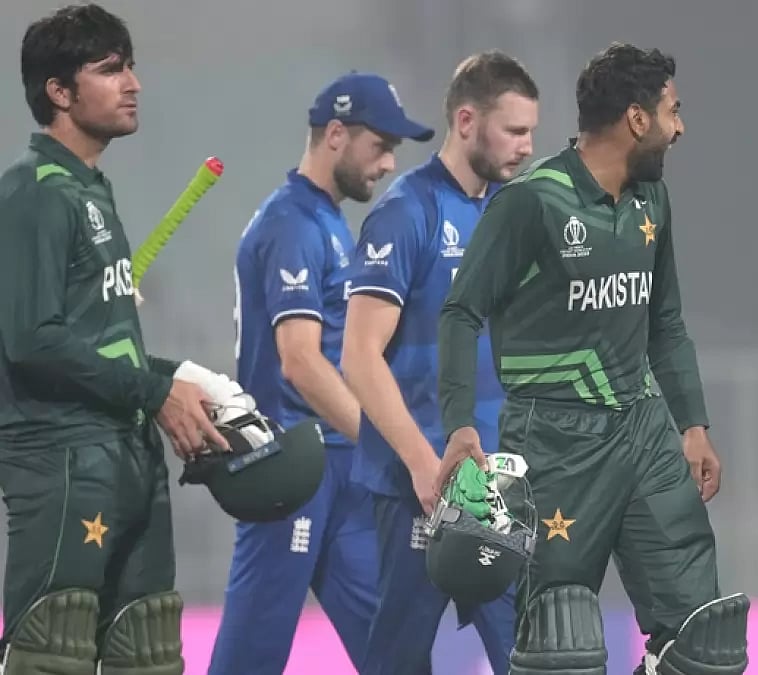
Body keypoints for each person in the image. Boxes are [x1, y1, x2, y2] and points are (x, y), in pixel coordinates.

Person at [435, 42, 750, 675]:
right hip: (555, 441)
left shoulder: (651, 201)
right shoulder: (531, 202)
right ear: (638, 119)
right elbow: (460, 312)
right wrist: (460, 424)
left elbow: (664, 321)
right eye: (672, 111)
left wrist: (693, 424)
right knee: (563, 648)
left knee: (704, 648)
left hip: (646, 430)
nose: (680, 127)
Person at [0, 4, 232, 674]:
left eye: (130, 65)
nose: (132, 82)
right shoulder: (34, 193)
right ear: (60, 92)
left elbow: (100, 347)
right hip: (64, 462)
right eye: (109, 69)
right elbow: (31, 342)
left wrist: (187, 384)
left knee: (149, 651)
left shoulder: (89, 191)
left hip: (125, 456)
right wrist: (155, 390)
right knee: (54, 649)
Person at [209, 71, 434, 674]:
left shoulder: (326, 221)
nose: (388, 164)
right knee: (249, 662)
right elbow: (301, 361)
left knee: (398, 655)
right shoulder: (292, 224)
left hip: (340, 467)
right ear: (336, 133)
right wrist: (389, 444)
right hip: (292, 465)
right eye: (379, 145)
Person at [339, 51, 539, 674]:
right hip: (416, 488)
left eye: (531, 131)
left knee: (529, 653)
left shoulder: (510, 210)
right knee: (398, 658)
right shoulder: (408, 212)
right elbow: (359, 356)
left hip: (498, 482)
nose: (527, 146)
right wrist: (425, 467)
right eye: (514, 130)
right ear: (466, 120)